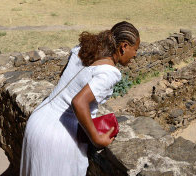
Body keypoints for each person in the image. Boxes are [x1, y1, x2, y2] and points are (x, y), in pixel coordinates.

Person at [20, 21, 140, 176]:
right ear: (124, 46)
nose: (136, 55)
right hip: (58, 136)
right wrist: (97, 139)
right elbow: (78, 101)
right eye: (135, 49)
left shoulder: (82, 50)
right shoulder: (109, 73)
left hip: (38, 120)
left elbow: (64, 78)